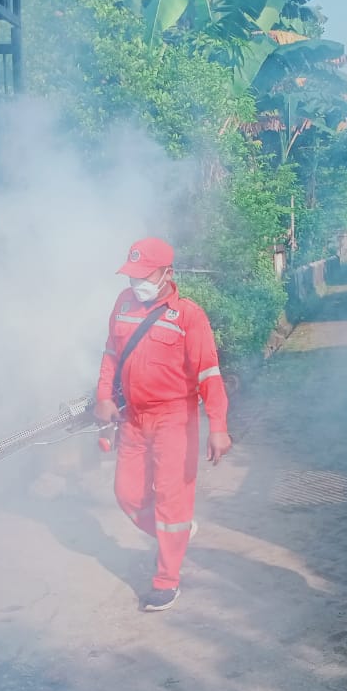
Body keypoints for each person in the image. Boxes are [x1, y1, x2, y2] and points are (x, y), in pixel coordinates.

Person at [93, 237, 233, 612]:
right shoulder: (123, 304)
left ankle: (166, 581)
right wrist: (103, 396)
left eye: (144, 275)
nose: (136, 282)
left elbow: (209, 374)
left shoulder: (188, 316)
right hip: (134, 419)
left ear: (167, 274)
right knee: (127, 494)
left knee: (172, 500)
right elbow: (111, 354)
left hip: (175, 419)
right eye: (132, 275)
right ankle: (176, 533)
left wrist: (218, 426)